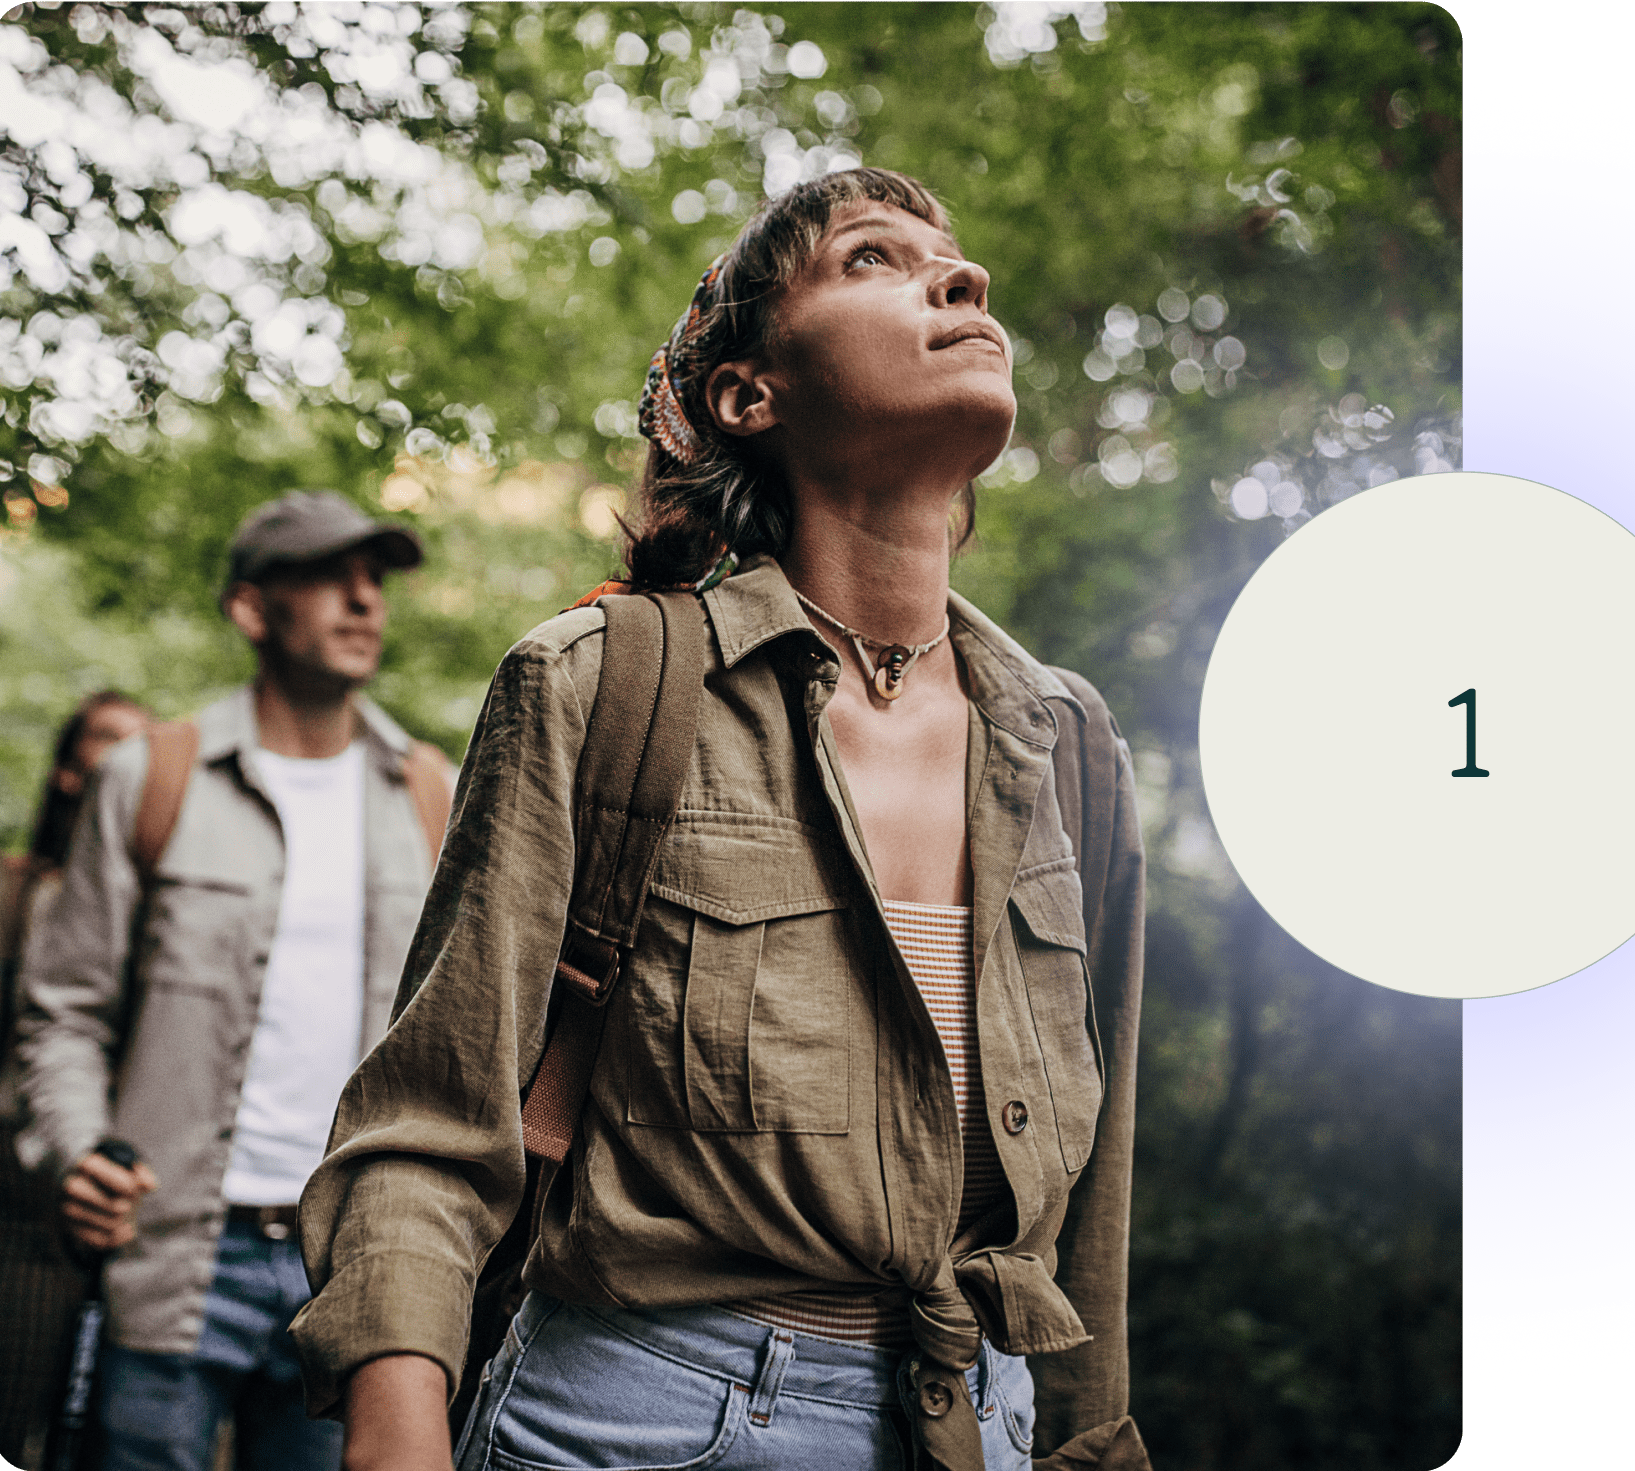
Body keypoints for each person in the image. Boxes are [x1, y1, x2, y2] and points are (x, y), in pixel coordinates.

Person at [291, 168, 1150, 1471]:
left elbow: (1090, 1222)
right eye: (875, 257)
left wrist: (1091, 1442)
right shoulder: (601, 686)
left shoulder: (1069, 743)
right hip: (639, 1419)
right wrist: (393, 1421)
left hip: (989, 1419)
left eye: (956, 259)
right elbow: (426, 1129)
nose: (960, 279)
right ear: (750, 392)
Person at [13, 491, 451, 1471]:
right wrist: (78, 1151)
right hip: (167, 1253)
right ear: (252, 609)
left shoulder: (429, 794)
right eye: (327, 578)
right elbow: (64, 1009)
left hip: (346, 1269)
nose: (362, 601)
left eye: (375, 580)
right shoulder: (152, 775)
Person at [0, 689, 152, 1468]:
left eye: (142, 739)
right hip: (16, 1189)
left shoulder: (156, 900)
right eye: (109, 738)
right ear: (66, 768)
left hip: (123, 1181)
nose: (130, 753)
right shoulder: (13, 888)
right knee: (17, 1410)